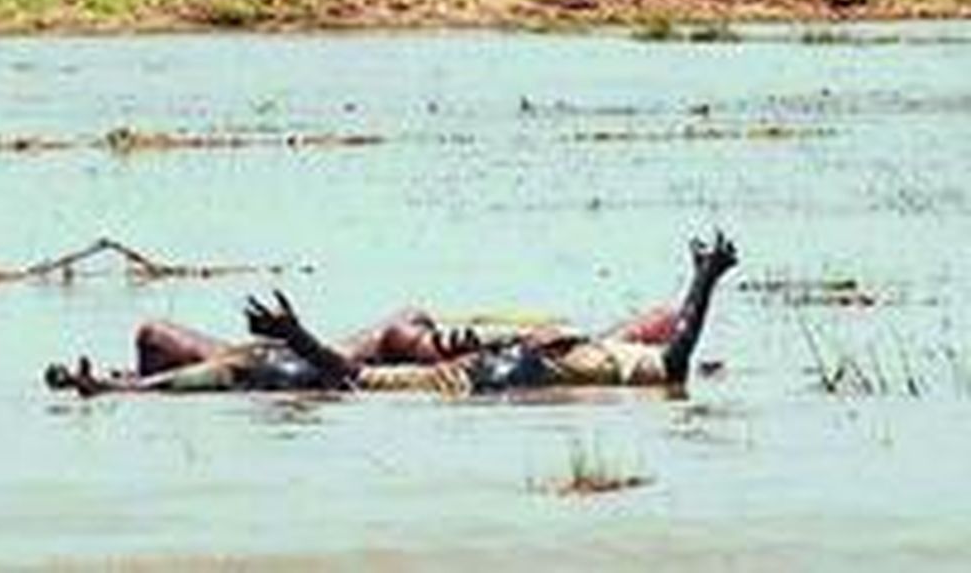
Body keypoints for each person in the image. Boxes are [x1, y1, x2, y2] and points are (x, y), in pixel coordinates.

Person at [44, 230, 736, 398]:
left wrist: (703, 281)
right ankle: (118, 389)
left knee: (163, 359)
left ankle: (115, 390)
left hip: (290, 366)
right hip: (292, 360)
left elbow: (345, 377)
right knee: (159, 343)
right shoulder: (481, 357)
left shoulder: (462, 381)